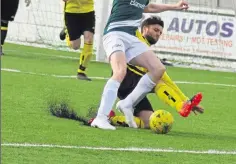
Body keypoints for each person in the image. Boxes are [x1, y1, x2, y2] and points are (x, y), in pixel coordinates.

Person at [48, 16, 203, 129]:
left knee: (149, 122)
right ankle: (180, 107)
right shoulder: (133, 36)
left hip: (135, 85)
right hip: (127, 78)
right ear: (144, 29)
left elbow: (166, 76)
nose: (158, 34)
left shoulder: (147, 51)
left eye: (160, 33)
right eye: (155, 30)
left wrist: (186, 100)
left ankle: (112, 119)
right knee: (159, 81)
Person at [91, 0, 190, 130]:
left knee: (158, 69)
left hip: (131, 37)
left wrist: (174, 7)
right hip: (115, 34)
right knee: (120, 71)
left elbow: (148, 7)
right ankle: (101, 117)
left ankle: (127, 103)